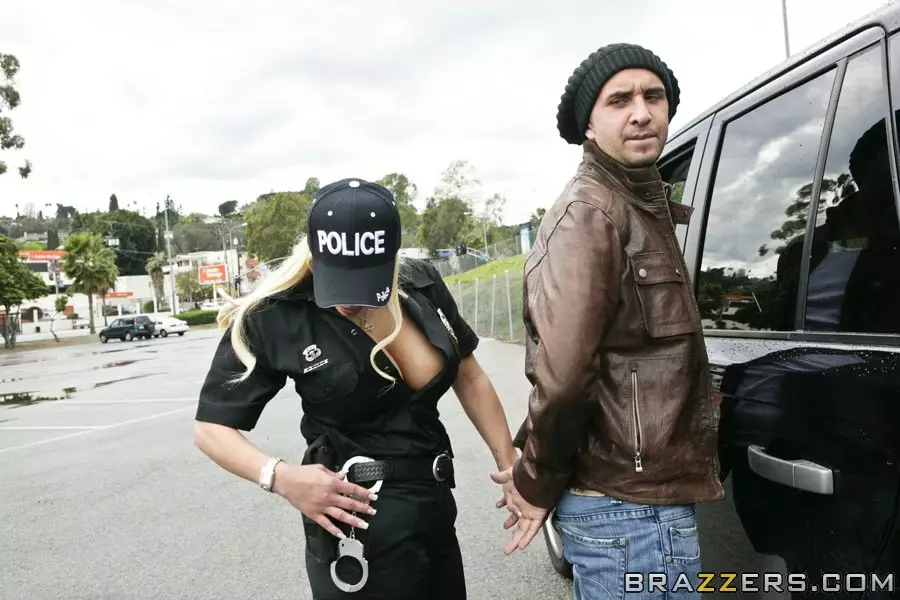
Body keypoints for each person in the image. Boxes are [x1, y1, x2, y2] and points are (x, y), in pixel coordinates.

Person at [193, 177, 518, 599]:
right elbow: (210, 428)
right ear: (314, 254)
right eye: (335, 278)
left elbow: (469, 376)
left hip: (434, 512)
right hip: (356, 532)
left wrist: (510, 464)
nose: (347, 300)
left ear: (391, 256)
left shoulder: (420, 283)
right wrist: (280, 477)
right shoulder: (276, 315)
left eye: (364, 280)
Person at [491, 43, 726, 598]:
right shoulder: (591, 213)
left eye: (654, 97)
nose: (641, 112)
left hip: (637, 508)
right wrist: (535, 481)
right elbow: (565, 380)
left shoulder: (638, 203)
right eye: (620, 100)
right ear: (589, 127)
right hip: (629, 514)